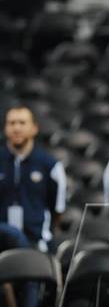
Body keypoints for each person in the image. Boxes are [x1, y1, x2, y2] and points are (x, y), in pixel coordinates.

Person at [0, 106, 67, 253]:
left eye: (22, 123)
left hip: (37, 243)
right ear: (5, 128)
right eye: (11, 123)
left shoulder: (50, 165)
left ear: (34, 128)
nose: (16, 128)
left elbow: (58, 210)